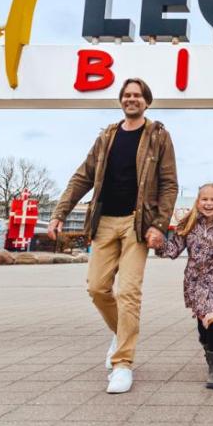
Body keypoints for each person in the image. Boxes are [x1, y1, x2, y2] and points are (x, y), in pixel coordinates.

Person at [48, 78, 178, 394]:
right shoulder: (107, 137)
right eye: (127, 95)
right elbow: (82, 177)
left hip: (137, 224)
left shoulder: (159, 136)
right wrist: (59, 213)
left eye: (138, 95)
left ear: (147, 101)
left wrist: (159, 225)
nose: (132, 99)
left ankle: (122, 363)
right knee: (97, 288)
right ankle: (120, 332)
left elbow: (169, 184)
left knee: (129, 292)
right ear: (121, 100)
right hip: (104, 222)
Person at [157, 183, 213, 389]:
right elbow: (173, 250)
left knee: (212, 318)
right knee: (202, 324)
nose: (208, 203)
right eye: (204, 199)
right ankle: (210, 348)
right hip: (194, 280)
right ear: (197, 202)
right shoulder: (187, 225)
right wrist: (158, 243)